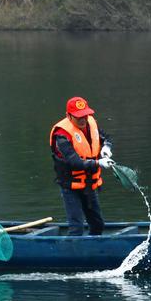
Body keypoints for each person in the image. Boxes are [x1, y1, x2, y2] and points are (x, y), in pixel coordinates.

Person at [50, 96, 112, 236]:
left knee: (98, 225)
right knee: (76, 228)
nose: (83, 119)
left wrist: (106, 147)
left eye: (85, 115)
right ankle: (71, 252)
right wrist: (98, 163)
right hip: (71, 186)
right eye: (79, 117)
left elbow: (105, 137)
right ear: (68, 116)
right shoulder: (61, 135)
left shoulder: (90, 123)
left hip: (89, 185)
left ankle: (94, 253)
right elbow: (75, 163)